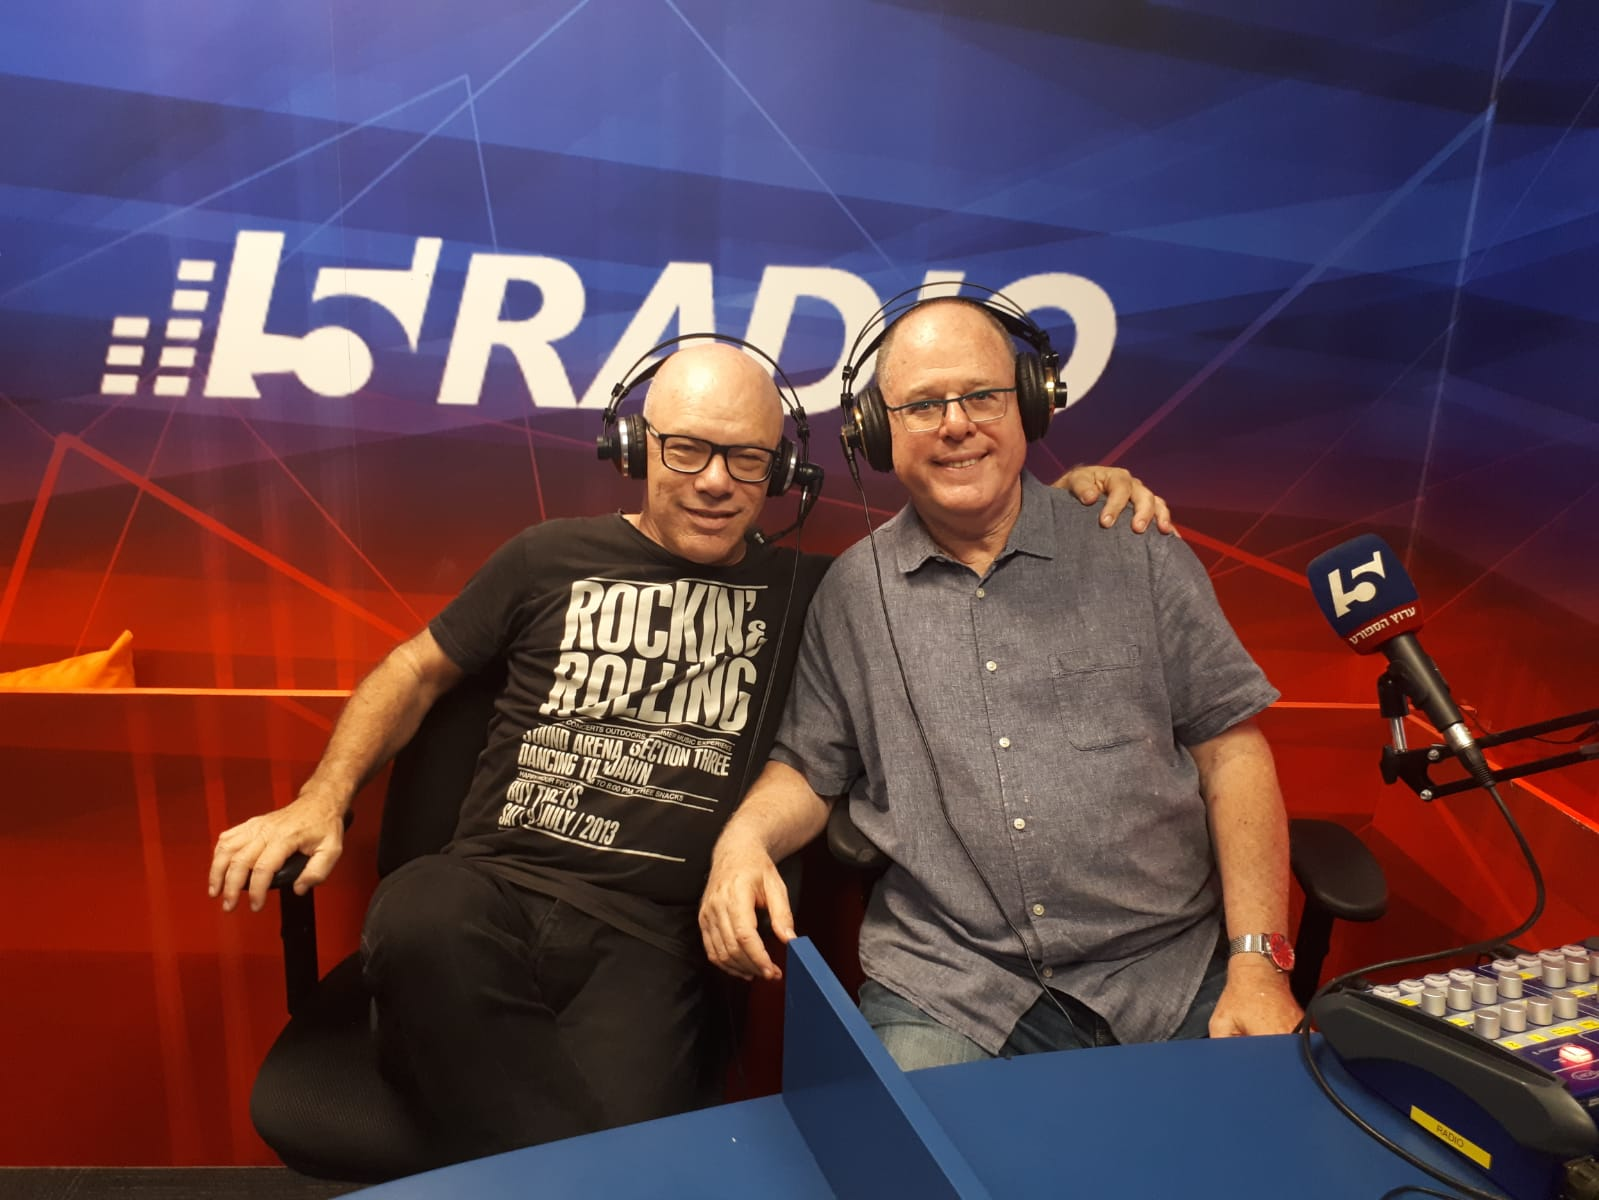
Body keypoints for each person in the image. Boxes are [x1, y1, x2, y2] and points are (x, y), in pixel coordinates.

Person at [208, 337, 1167, 1163]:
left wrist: (1069, 502)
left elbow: (966, 561)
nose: (715, 481)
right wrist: (321, 797)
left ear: (780, 475)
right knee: (420, 916)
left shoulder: (823, 594)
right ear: (637, 448)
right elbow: (412, 671)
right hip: (482, 897)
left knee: (627, 1133)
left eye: (746, 459)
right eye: (688, 449)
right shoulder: (544, 557)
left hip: (650, 940)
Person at [699, 298, 1302, 1072]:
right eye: (922, 405)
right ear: (878, 432)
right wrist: (742, 841)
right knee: (899, 1147)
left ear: (1028, 403)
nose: (956, 425)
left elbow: (1232, 754)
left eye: (981, 395)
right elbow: (809, 767)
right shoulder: (852, 593)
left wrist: (1257, 963)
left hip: (1168, 972)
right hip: (953, 984)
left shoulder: (1132, 546)